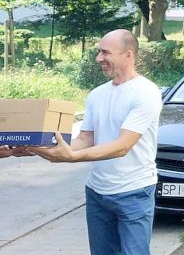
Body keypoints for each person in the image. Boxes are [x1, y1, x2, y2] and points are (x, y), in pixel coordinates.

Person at [26, 29, 163, 255]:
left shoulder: (146, 93)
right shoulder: (96, 94)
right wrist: (41, 147)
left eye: (105, 52)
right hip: (97, 192)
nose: (99, 58)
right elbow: (85, 138)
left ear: (128, 55)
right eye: (99, 52)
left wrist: (72, 157)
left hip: (134, 191)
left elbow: (122, 146)